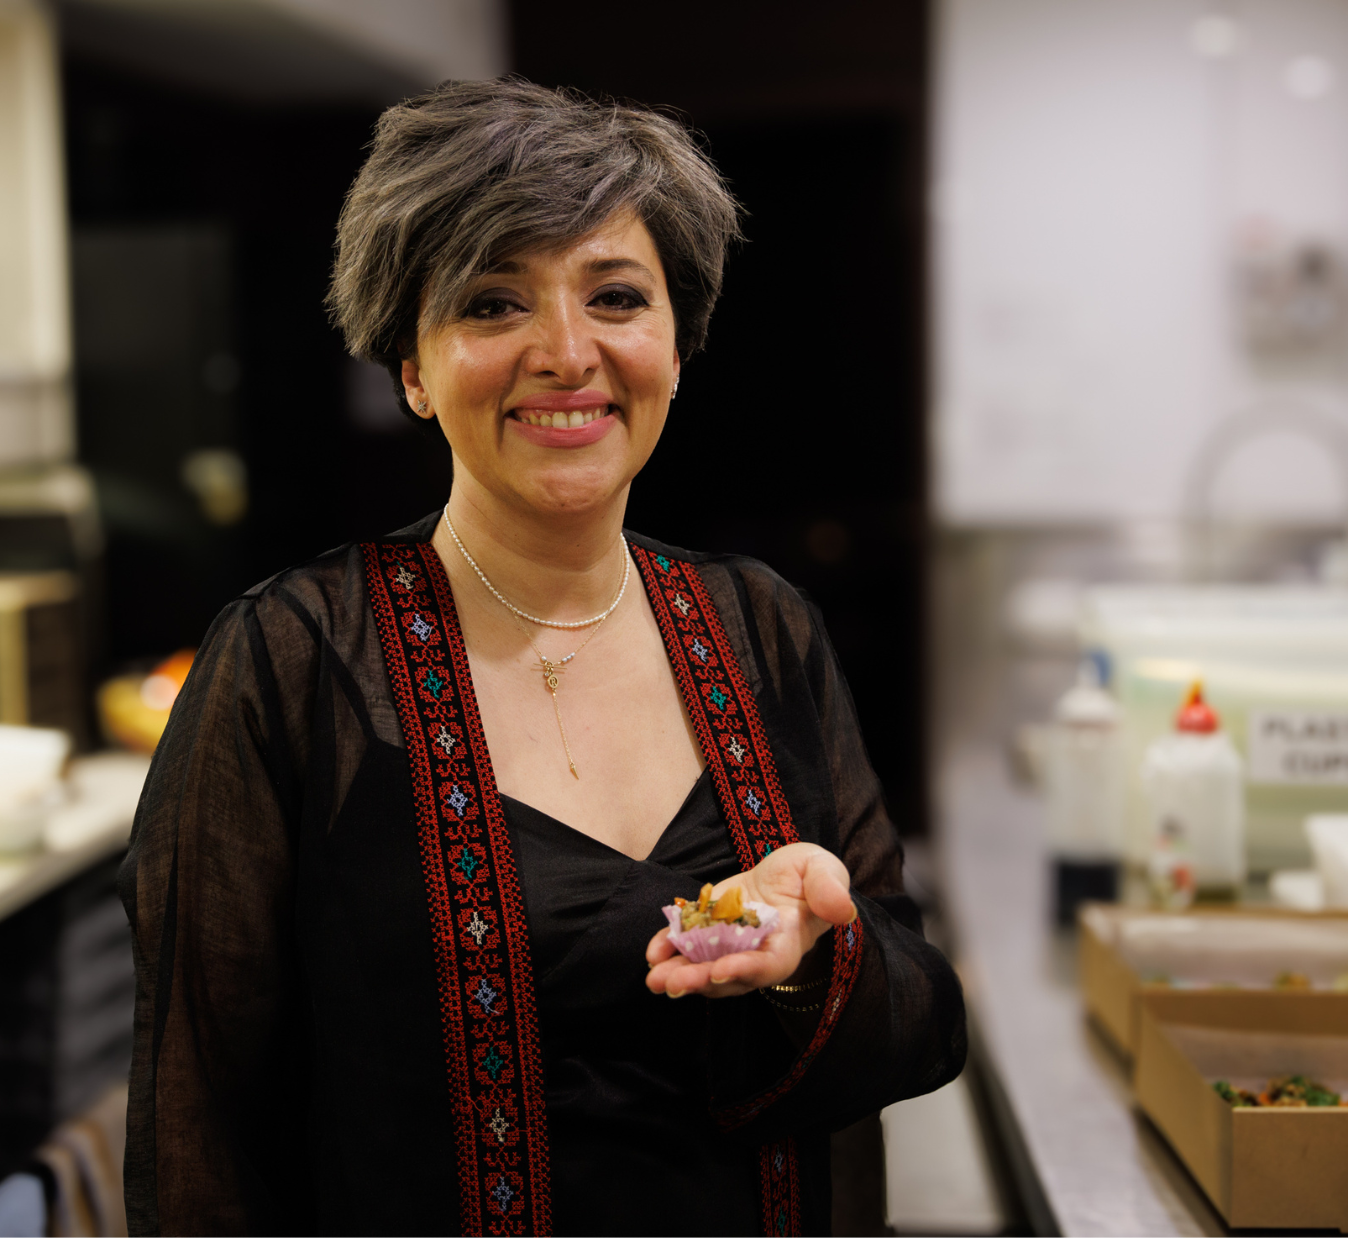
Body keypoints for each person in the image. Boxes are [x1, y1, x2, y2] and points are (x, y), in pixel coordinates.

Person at [120, 77, 965, 1238]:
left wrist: (817, 959)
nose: (567, 353)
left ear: (677, 339)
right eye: (491, 302)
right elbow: (198, 1124)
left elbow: (919, 1014)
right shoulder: (295, 664)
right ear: (411, 366)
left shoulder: (763, 629)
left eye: (616, 296)